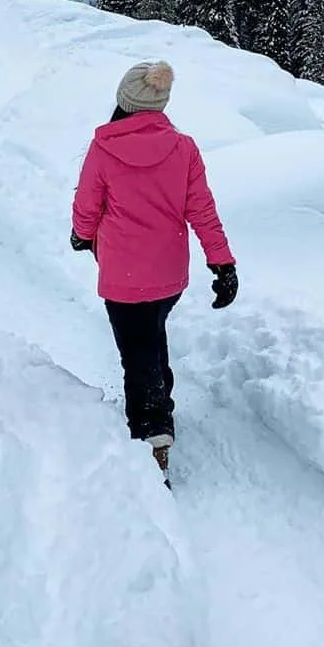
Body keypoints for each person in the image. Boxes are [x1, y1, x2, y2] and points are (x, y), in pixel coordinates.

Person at [71, 60, 238, 482]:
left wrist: (80, 234)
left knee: (137, 353)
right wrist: (222, 262)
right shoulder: (183, 148)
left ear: (123, 101)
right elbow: (202, 210)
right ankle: (161, 398)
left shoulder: (103, 148)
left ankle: (152, 434)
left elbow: (88, 205)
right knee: (150, 336)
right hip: (168, 275)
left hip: (123, 277)